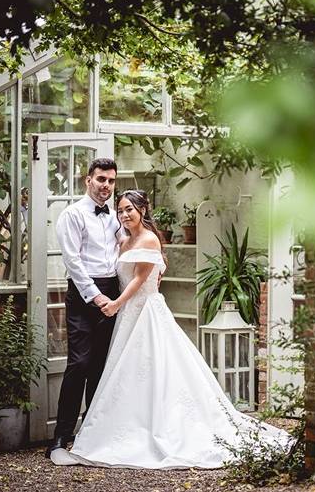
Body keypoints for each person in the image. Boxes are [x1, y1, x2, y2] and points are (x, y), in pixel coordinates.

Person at [50, 189, 291, 468]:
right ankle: (119, 425)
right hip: (128, 315)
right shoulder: (123, 239)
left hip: (145, 312)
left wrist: (116, 304)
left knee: (156, 369)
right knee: (123, 372)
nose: (124, 214)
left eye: (130, 209)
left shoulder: (150, 239)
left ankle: (163, 427)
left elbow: (140, 279)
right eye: (121, 210)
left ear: (143, 209)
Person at [45, 158, 121, 458]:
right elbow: (72, 262)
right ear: (87, 180)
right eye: (101, 179)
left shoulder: (116, 217)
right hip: (83, 294)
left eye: (111, 181)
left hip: (113, 292)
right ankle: (60, 438)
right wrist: (95, 296)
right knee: (80, 363)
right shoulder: (72, 214)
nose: (106, 186)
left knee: (101, 367)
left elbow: (125, 250)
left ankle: (90, 436)